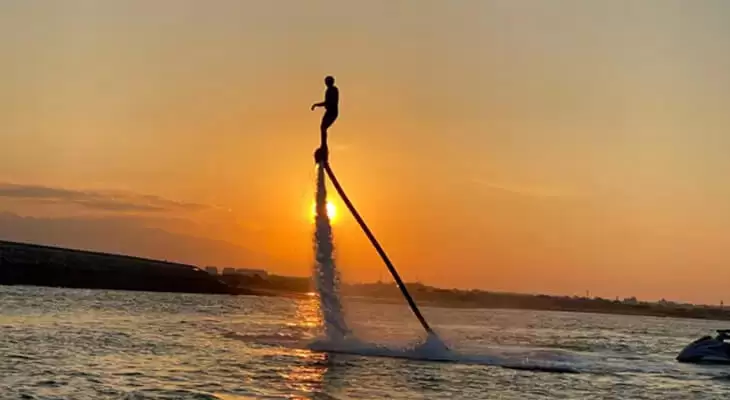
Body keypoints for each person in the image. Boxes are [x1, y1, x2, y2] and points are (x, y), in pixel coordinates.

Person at [311, 76, 338, 162]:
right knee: (322, 128)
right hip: (330, 111)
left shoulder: (333, 90)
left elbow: (330, 102)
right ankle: (323, 145)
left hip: (332, 112)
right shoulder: (329, 90)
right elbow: (327, 102)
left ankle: (324, 145)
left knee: (323, 127)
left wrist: (316, 105)